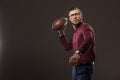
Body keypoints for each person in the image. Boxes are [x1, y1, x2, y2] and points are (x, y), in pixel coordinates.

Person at [57, 7, 96, 80]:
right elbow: (67, 47)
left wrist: (77, 53)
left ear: (81, 16)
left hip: (85, 67)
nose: (74, 16)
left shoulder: (86, 27)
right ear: (69, 19)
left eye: (77, 14)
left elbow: (89, 39)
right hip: (76, 67)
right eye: (72, 15)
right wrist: (61, 33)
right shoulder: (76, 32)